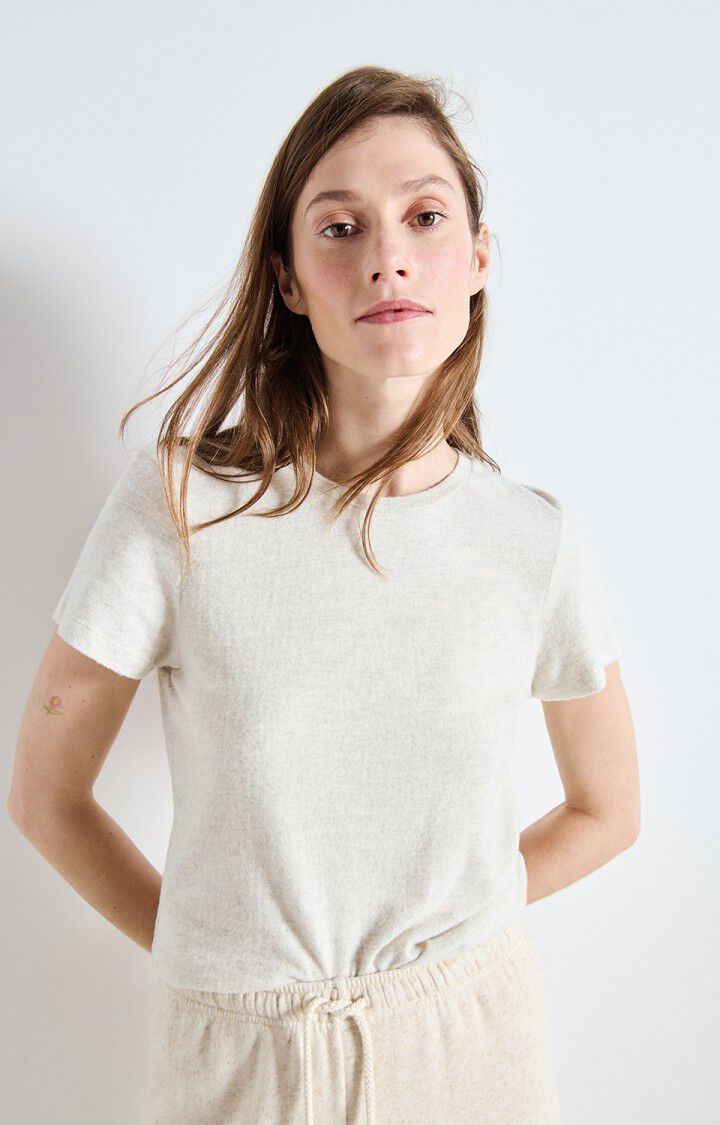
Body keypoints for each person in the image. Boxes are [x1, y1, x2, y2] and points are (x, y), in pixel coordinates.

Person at [8, 65, 640, 1124]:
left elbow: (608, 809)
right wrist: (213, 962)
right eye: (340, 228)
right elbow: (45, 796)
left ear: (479, 257)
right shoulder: (182, 507)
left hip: (473, 1050)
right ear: (290, 279)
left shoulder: (530, 540)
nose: (389, 255)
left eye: (425, 217)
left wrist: (456, 931)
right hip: (242, 1064)